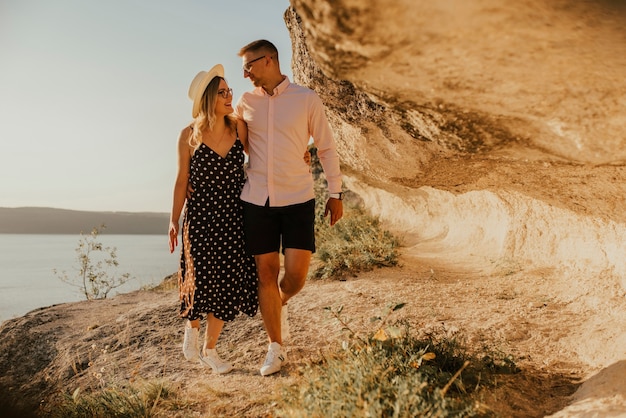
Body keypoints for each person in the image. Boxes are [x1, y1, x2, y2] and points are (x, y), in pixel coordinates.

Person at [235, 39, 344, 376]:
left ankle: (276, 307)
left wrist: (336, 193)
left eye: (249, 65)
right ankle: (275, 347)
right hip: (256, 199)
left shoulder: (306, 99)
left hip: (298, 197)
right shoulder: (245, 103)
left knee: (295, 277)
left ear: (268, 60)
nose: (245, 73)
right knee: (266, 274)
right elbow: (223, 138)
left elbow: (324, 147)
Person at [168, 64, 258, 374]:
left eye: (229, 90)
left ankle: (210, 350)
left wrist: (301, 153)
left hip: (233, 217)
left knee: (226, 284)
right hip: (201, 218)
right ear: (209, 98)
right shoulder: (188, 135)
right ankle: (192, 329)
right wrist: (173, 221)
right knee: (201, 278)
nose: (229, 95)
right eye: (223, 92)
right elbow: (182, 181)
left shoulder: (238, 127)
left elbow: (262, 155)